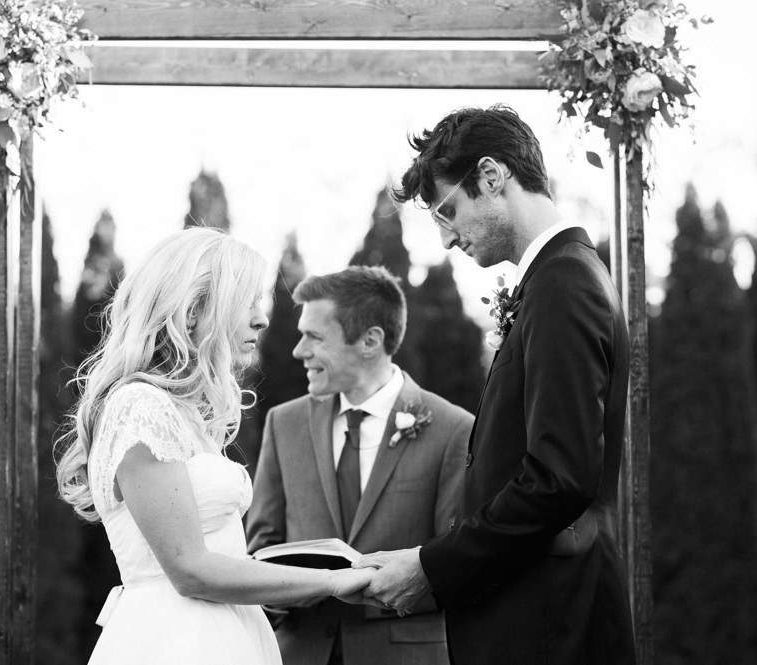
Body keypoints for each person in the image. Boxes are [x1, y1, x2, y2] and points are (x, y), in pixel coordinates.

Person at [355, 105, 637, 665]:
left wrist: (432, 567)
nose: (446, 239)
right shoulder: (559, 277)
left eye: (448, 211)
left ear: (490, 176)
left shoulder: (563, 284)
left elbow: (559, 480)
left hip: (552, 628)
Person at [55, 228, 375, 665]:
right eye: (247, 302)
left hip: (228, 634)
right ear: (192, 312)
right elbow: (190, 570)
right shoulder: (140, 406)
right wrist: (331, 582)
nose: (262, 319)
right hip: (175, 642)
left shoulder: (185, 413)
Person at [247, 265, 473, 665]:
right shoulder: (284, 423)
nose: (299, 351)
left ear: (370, 341)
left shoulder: (454, 428)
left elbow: (457, 561)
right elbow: (262, 547)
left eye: (315, 337)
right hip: (301, 653)